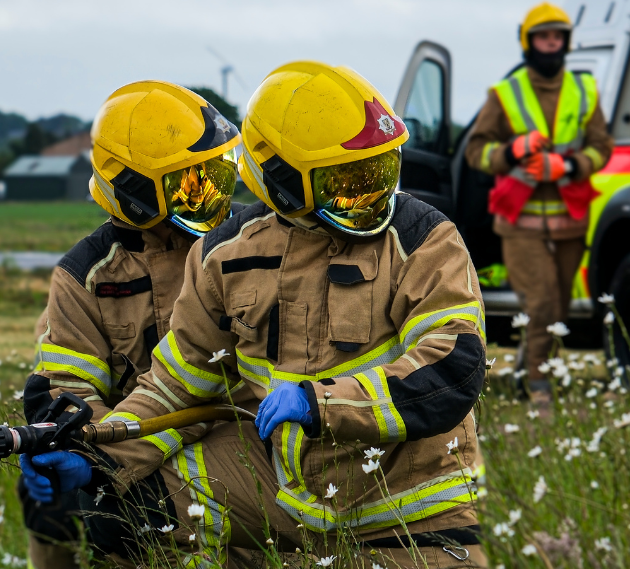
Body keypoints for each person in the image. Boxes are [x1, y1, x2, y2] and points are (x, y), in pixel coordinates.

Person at [27, 61, 488, 568]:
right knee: (128, 510)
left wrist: (322, 403)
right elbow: (177, 386)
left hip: (407, 505)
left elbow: (453, 366)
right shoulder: (224, 256)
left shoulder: (424, 239)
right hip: (283, 490)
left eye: (381, 173)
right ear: (285, 182)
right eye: (348, 181)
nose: (372, 197)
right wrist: (99, 462)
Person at [15, 80, 243, 569]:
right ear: (138, 195)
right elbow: (65, 391)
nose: (216, 195)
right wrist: (99, 461)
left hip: (235, 434)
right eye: (193, 182)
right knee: (50, 496)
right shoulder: (84, 278)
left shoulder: (247, 245)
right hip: (128, 444)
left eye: (219, 175)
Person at [465, 2, 613, 404]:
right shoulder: (504, 94)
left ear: (566, 43)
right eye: (544, 38)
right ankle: (539, 387)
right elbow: (475, 152)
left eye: (558, 38)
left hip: (570, 219)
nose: (551, 45)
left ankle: (524, 370)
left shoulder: (584, 90)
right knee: (542, 300)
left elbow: (603, 148)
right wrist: (512, 150)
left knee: (558, 308)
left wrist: (566, 164)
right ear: (528, 43)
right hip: (518, 221)